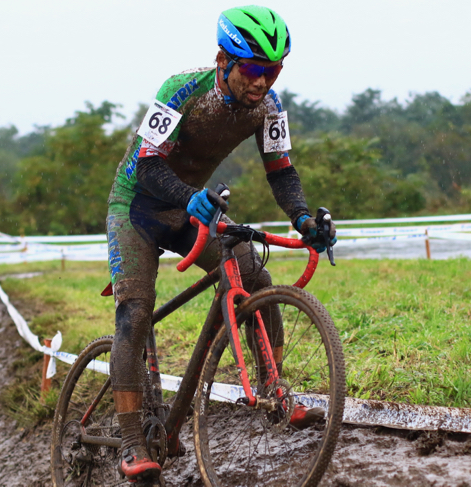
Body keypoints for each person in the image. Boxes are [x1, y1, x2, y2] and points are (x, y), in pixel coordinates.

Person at [106, 5, 337, 482]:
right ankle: (130, 441)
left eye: (272, 70)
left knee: (253, 274)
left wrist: (301, 218)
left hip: (192, 205)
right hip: (138, 206)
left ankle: (275, 388)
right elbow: (147, 166)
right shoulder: (182, 89)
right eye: (253, 68)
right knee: (135, 310)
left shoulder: (268, 107)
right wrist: (189, 196)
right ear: (223, 60)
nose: (262, 82)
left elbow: (282, 169)